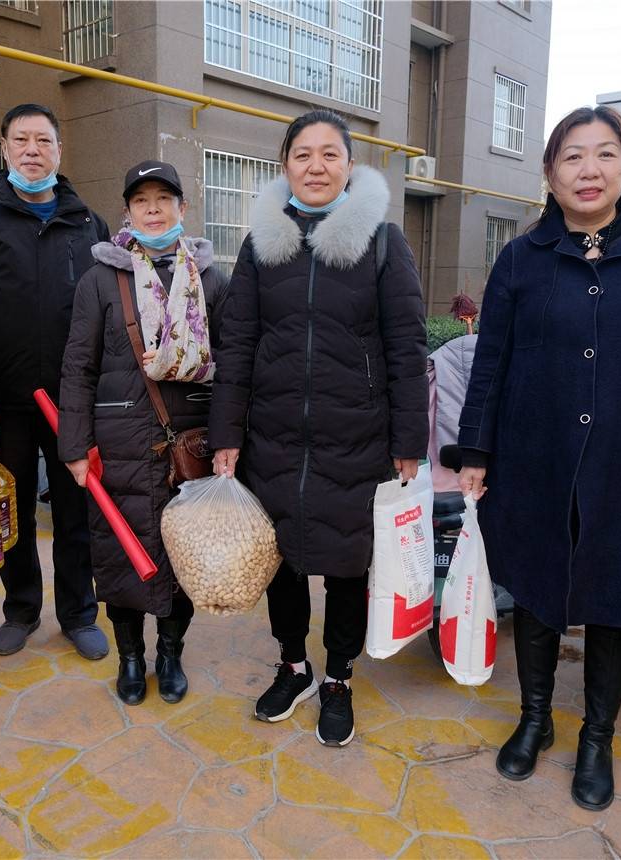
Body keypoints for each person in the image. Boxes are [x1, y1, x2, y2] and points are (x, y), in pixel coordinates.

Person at [456, 106, 621, 810]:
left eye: (606, 154)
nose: (589, 169)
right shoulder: (521, 258)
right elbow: (492, 364)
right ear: (549, 172)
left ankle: (596, 736)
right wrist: (474, 448)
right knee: (537, 589)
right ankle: (535, 719)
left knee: (612, 595)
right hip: (532, 453)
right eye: (573, 156)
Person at [209, 110, 428, 747]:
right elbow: (239, 342)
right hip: (271, 434)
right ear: (284, 167)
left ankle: (337, 675)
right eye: (302, 155)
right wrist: (227, 433)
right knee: (279, 559)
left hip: (356, 435)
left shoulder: (383, 241)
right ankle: (292, 664)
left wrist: (408, 442)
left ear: (350, 166)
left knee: (346, 564)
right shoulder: (259, 246)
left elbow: (407, 345)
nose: (316, 166)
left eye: (329, 154)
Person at [58, 161, 227, 706]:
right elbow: (78, 366)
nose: (153, 209)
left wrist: (228, 440)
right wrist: (75, 447)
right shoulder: (100, 279)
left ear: (183, 208)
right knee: (119, 556)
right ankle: (130, 656)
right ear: (126, 211)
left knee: (183, 556)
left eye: (163, 199)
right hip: (119, 444)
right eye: (141, 200)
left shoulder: (209, 279)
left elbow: (235, 363)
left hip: (189, 445)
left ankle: (170, 654)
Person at [0, 103, 111, 660]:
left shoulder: (88, 223)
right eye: (22, 140)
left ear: (60, 151)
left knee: (75, 513)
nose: (33, 150)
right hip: (6, 400)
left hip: (73, 402)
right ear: (5, 147)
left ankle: (78, 613)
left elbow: (108, 314)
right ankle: (20, 609)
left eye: (44, 140)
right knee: (8, 508)